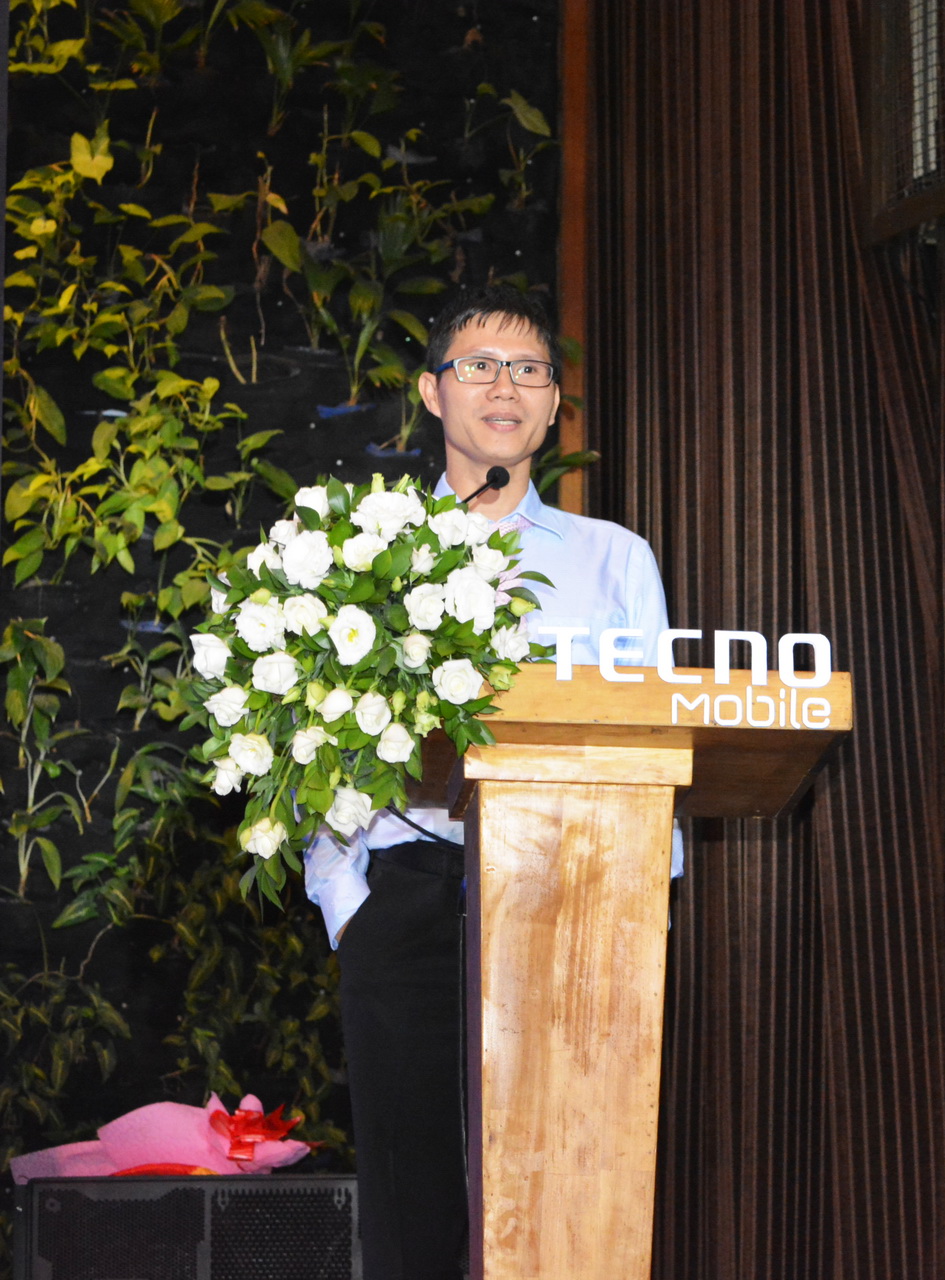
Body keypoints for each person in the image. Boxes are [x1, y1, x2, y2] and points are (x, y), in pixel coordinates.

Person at [304, 284, 670, 1280]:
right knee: (413, 1197)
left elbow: (658, 736)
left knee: (572, 1181)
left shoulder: (614, 561)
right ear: (432, 392)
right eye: (478, 366)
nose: (505, 386)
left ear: (553, 405)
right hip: (408, 890)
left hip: (577, 894)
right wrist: (345, 900)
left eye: (529, 370)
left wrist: (645, 900)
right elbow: (313, 734)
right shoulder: (366, 555)